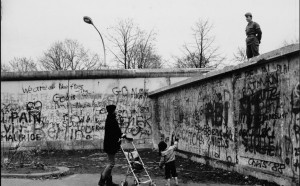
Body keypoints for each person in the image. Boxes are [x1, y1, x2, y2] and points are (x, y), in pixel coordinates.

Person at [98, 104, 132, 186]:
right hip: (110, 145)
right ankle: (102, 180)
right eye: (115, 110)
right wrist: (122, 135)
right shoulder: (112, 120)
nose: (116, 111)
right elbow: (116, 131)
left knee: (111, 162)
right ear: (113, 111)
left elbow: (115, 131)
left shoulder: (110, 118)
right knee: (111, 163)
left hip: (109, 144)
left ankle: (109, 182)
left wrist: (121, 135)